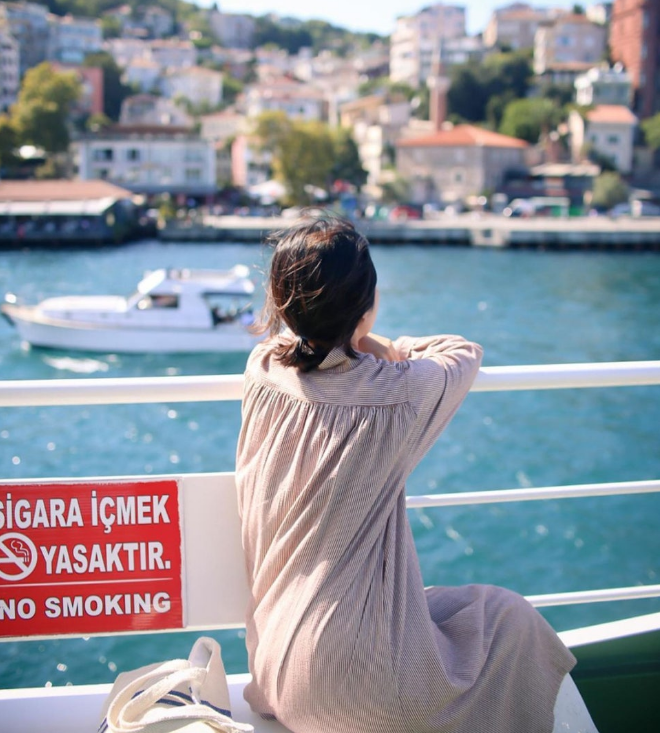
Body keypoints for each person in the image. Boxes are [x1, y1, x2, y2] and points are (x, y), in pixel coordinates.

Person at [235, 213, 597, 733]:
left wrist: (343, 334)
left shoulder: (262, 371)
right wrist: (378, 345)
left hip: (280, 673)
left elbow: (302, 347)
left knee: (442, 614)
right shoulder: (395, 393)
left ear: (281, 300)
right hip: (368, 690)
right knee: (508, 618)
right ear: (365, 306)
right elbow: (462, 352)